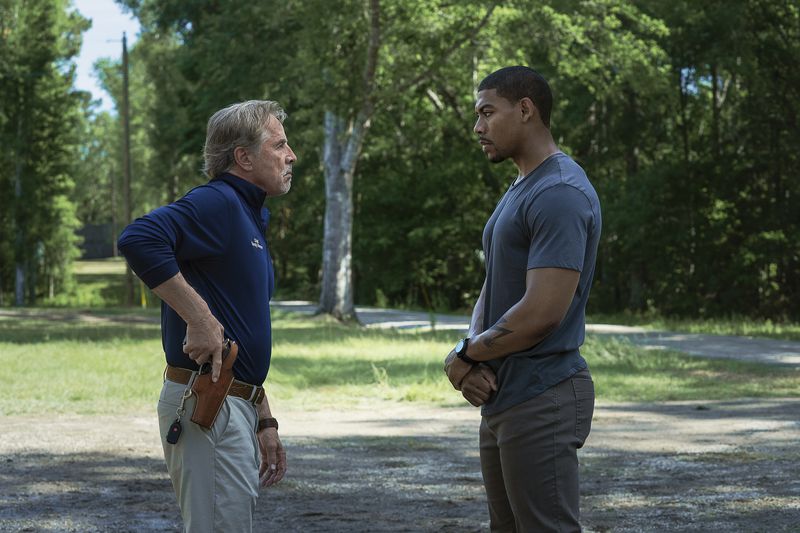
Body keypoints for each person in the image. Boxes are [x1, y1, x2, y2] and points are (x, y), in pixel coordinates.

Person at [118, 99, 296, 532]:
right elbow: (138, 238)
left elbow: (242, 328)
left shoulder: (247, 216)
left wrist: (263, 415)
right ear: (243, 157)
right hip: (208, 404)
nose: (291, 156)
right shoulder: (219, 202)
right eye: (280, 145)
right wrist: (197, 316)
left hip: (234, 403)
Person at [444, 66, 601, 532]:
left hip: (542, 394)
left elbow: (541, 313)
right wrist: (469, 356)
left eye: (487, 113)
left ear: (526, 109)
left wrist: (465, 354)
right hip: (505, 395)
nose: (478, 127)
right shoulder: (522, 187)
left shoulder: (559, 192)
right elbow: (494, 286)